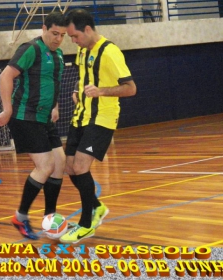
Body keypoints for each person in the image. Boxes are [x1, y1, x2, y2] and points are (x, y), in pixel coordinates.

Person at [59, 8, 137, 244]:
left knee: (81, 167)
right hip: (80, 116)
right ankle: (97, 206)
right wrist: (76, 90)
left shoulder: (110, 52)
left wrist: (101, 91)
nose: (73, 41)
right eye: (70, 37)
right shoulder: (83, 51)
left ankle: (86, 224)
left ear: (88, 29)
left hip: (102, 118)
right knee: (69, 167)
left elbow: (130, 88)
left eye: (75, 36)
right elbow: (85, 78)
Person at [0, 12, 67, 240]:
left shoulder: (59, 55)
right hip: (25, 117)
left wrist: (54, 106)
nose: (58, 39)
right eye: (54, 33)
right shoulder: (30, 49)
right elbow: (6, 76)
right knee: (45, 166)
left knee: (59, 164)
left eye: (62, 35)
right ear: (44, 28)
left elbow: (52, 83)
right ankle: (20, 216)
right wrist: (7, 109)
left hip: (45, 118)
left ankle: (49, 219)